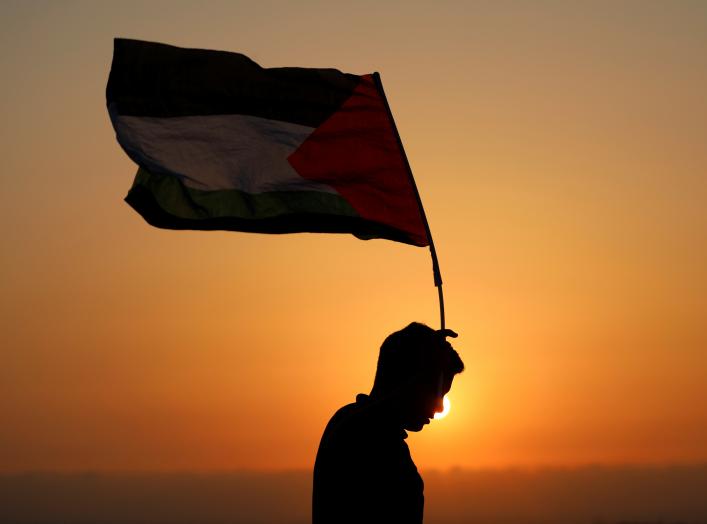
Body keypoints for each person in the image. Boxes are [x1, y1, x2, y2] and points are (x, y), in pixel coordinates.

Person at [312, 322, 465, 524]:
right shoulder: (365, 439)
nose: (440, 409)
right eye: (436, 394)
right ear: (412, 380)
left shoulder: (346, 421)